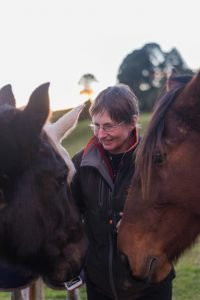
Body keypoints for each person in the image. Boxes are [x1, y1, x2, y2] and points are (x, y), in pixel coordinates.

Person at [72, 84, 175, 300]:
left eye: (108, 126)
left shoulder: (158, 160)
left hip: (151, 287)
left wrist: (145, 221)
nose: (100, 134)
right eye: (96, 125)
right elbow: (69, 215)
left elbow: (179, 214)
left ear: (133, 122)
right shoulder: (81, 163)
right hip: (99, 287)